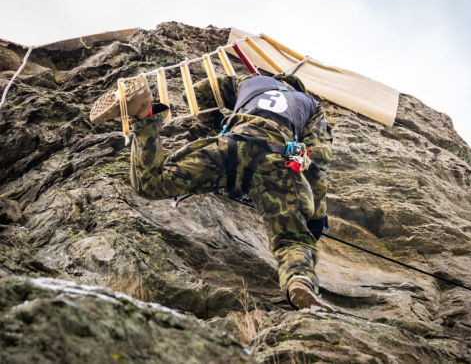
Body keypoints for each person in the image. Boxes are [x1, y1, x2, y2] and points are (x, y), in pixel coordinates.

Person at [90, 72, 334, 312]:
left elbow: (194, 94)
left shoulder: (249, 82)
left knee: (151, 183)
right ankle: (299, 284)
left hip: (230, 144)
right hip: (276, 160)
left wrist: (219, 127)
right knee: (292, 238)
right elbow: (318, 158)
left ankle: (144, 112)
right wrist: (316, 217)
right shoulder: (311, 105)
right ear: (299, 87)